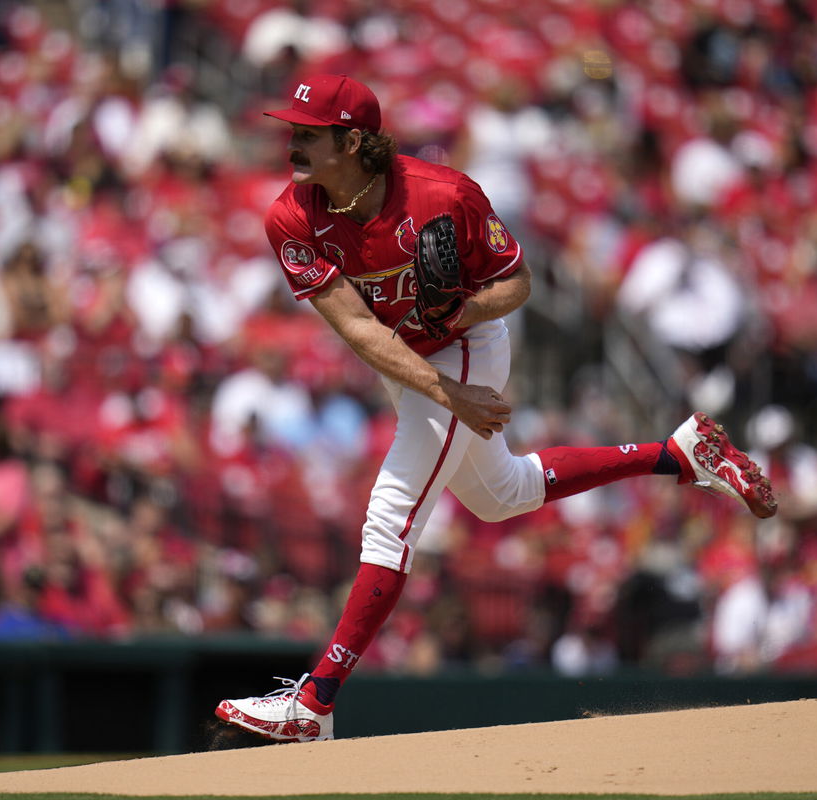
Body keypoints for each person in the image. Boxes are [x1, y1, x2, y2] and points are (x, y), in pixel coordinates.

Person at [214, 75, 776, 743]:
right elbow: (360, 331)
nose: (292, 142)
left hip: (468, 344)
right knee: (500, 495)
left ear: (354, 139)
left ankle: (315, 702)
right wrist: (447, 396)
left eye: (308, 131)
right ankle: (677, 454)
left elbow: (517, 283)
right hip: (413, 361)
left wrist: (464, 310)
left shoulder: (442, 194)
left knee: (391, 513)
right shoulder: (292, 215)